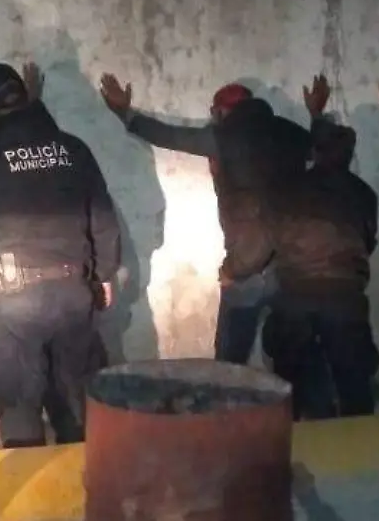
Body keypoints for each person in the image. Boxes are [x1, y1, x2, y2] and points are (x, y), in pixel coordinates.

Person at [98, 74, 329, 363]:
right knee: (293, 356)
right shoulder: (291, 133)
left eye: (213, 113)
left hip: (246, 265)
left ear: (222, 111)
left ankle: (231, 392)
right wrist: (317, 114)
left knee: (230, 361)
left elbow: (170, 136)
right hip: (294, 266)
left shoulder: (224, 136)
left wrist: (126, 114)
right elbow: (323, 148)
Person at [0, 62, 121, 448]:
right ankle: (78, 476)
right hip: (73, 291)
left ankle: (28, 474)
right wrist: (105, 274)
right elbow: (103, 217)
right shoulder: (73, 148)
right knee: (76, 403)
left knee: (20, 408)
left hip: (16, 300)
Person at [252, 120, 379, 419]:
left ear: (314, 152)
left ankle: (294, 433)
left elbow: (268, 242)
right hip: (345, 296)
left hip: (295, 294)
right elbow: (367, 242)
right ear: (349, 154)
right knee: (355, 383)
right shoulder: (364, 193)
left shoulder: (286, 190)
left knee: (289, 381)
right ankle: (362, 440)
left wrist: (238, 270)